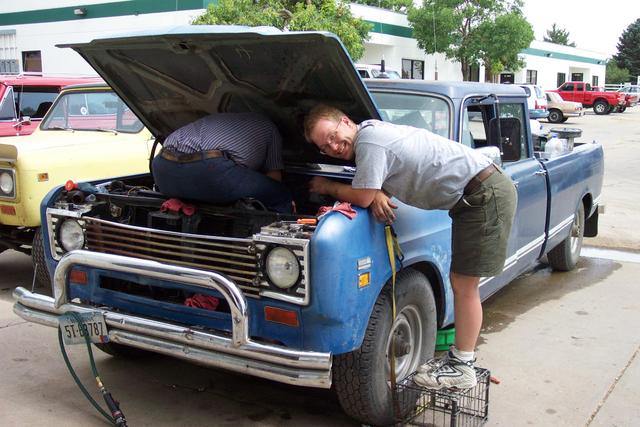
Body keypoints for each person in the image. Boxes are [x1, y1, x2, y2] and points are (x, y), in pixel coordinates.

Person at [304, 104, 517, 390]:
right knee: (462, 284)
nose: (332, 146)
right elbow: (376, 187)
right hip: (475, 195)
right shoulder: (371, 134)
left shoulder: (369, 142)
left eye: (332, 136)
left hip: (483, 195)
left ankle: (462, 366)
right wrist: (376, 192)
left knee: (465, 286)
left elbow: (364, 197)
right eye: (324, 147)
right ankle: (460, 360)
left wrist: (327, 187)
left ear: (345, 121)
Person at [152, 112, 292, 213]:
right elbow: (274, 177)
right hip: (210, 171)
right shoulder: (271, 128)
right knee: (280, 194)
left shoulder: (220, 117)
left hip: (162, 168)